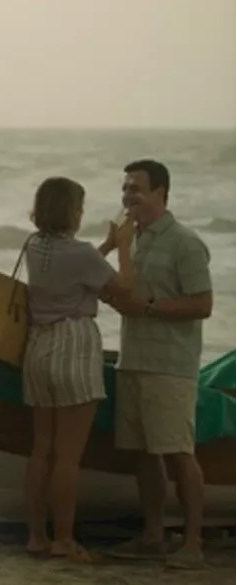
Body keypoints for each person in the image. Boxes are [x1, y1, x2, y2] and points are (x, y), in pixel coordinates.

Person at [18, 177, 145, 562]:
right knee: (68, 457)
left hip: (38, 349)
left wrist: (102, 247)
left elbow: (77, 269)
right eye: (80, 207)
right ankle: (64, 541)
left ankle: (37, 536)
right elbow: (124, 288)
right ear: (71, 211)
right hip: (73, 347)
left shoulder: (33, 246)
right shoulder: (82, 253)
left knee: (42, 450)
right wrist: (123, 246)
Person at [104, 160, 211, 570]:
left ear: (161, 193)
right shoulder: (134, 241)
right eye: (125, 188)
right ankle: (152, 536)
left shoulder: (185, 242)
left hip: (170, 364)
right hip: (132, 358)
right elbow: (124, 295)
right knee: (144, 454)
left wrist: (146, 307)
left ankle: (193, 542)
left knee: (178, 452)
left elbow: (203, 304)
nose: (128, 195)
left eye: (137, 189)